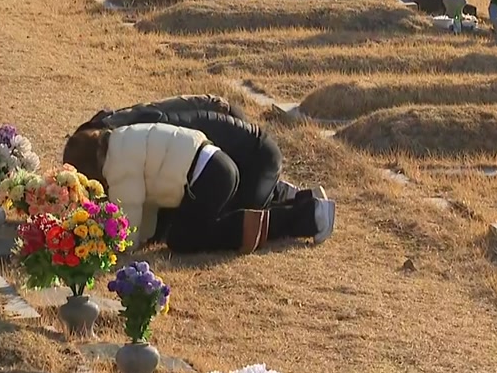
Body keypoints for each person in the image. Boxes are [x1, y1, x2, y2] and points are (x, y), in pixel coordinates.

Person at [63, 97, 335, 255]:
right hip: (218, 164)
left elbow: (128, 211)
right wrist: (144, 237)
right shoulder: (125, 133)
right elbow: (146, 203)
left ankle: (311, 216)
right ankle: (304, 201)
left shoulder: (118, 160)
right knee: (186, 228)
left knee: (190, 236)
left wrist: (117, 246)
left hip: (244, 161)